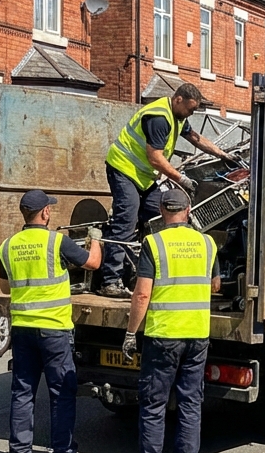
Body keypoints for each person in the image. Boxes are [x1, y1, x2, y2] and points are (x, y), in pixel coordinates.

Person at [0, 189, 103, 453]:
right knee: (61, 394)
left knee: (22, 392)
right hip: (54, 330)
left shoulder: (7, 246)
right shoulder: (57, 241)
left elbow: (6, 288)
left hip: (22, 330)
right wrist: (96, 240)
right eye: (49, 209)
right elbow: (93, 263)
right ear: (45, 212)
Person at [121, 189, 218, 453]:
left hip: (163, 336)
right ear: (188, 211)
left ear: (161, 211)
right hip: (197, 335)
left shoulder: (153, 243)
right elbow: (215, 284)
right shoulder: (207, 243)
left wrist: (130, 333)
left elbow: (142, 294)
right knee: (190, 406)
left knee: (153, 406)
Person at [98, 82, 232, 298]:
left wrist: (222, 154)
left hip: (143, 177)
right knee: (126, 220)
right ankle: (110, 281)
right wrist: (182, 179)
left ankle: (144, 271)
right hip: (124, 169)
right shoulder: (159, 118)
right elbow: (155, 158)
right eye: (190, 109)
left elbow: (195, 138)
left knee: (160, 216)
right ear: (178, 99)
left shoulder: (177, 116)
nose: (191, 113)